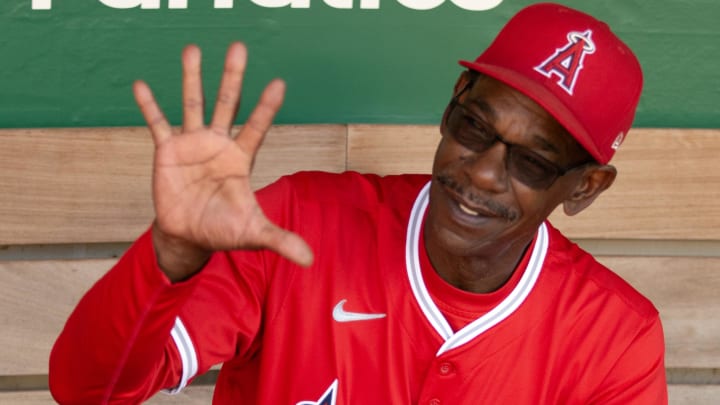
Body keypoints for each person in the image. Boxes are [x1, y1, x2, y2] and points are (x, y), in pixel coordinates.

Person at [49, 3, 667, 404]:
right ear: (454, 98)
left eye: (531, 162)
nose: (479, 171)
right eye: (473, 126)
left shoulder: (615, 340)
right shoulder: (298, 225)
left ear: (584, 187)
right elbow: (87, 389)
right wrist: (169, 258)